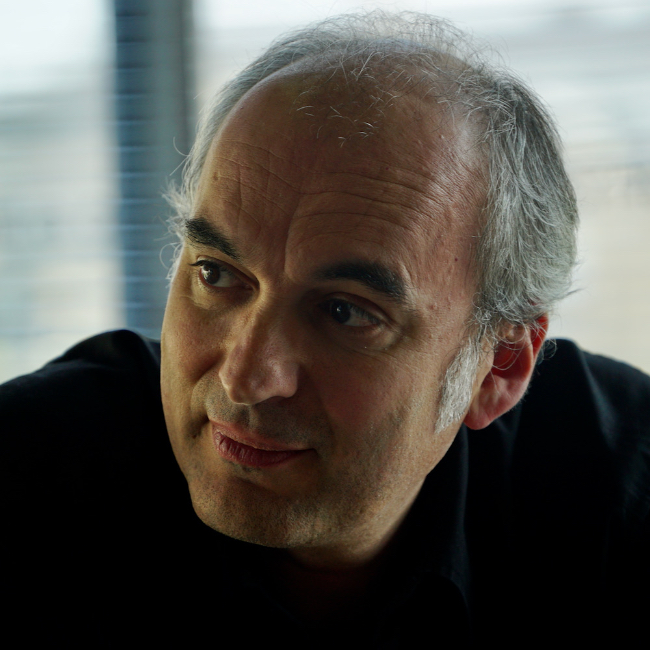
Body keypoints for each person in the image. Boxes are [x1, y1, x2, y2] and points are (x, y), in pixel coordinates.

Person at [2, 11, 649, 647]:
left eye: (345, 312)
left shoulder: (619, 492)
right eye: (217, 274)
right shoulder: (31, 476)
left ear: (497, 368)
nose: (246, 378)